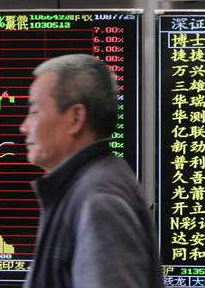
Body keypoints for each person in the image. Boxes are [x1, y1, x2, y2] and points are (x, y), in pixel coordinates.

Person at [19, 53, 163, 288]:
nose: (24, 126)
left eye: (35, 111)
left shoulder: (99, 200)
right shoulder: (88, 185)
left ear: (76, 117)